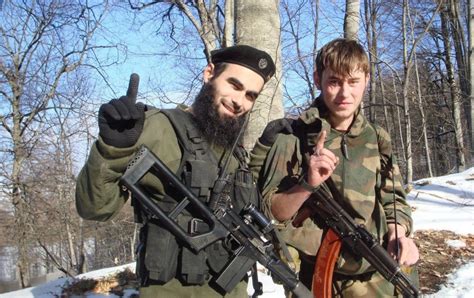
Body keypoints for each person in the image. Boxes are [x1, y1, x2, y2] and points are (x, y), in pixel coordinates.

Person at [75, 44, 275, 297]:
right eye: (234, 85)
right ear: (209, 73)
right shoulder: (161, 128)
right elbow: (95, 208)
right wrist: (111, 149)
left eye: (250, 95)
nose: (239, 101)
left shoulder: (235, 151)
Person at [249, 38, 419, 296]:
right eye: (334, 82)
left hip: (380, 275)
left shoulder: (377, 137)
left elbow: (393, 199)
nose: (344, 94)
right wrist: (308, 184)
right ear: (318, 79)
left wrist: (400, 235)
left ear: (367, 80)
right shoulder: (291, 137)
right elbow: (273, 212)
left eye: (353, 82)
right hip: (318, 280)